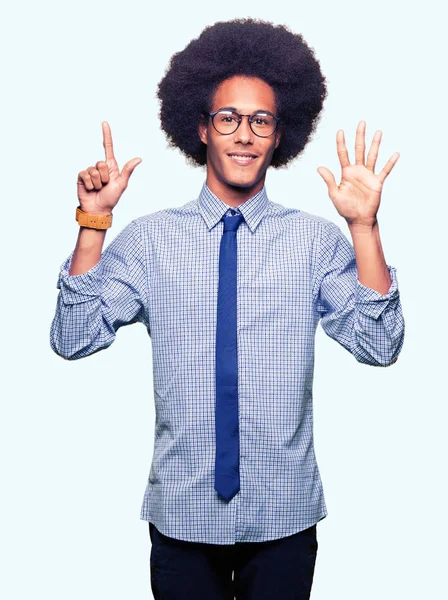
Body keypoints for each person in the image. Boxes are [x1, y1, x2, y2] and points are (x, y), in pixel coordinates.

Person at [50, 17, 405, 600]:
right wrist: (94, 222)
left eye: (260, 121)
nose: (244, 134)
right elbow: (73, 336)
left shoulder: (314, 242)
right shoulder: (149, 240)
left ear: (277, 135)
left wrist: (364, 228)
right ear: (202, 128)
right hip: (183, 518)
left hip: (284, 516)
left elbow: (380, 345)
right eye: (229, 118)